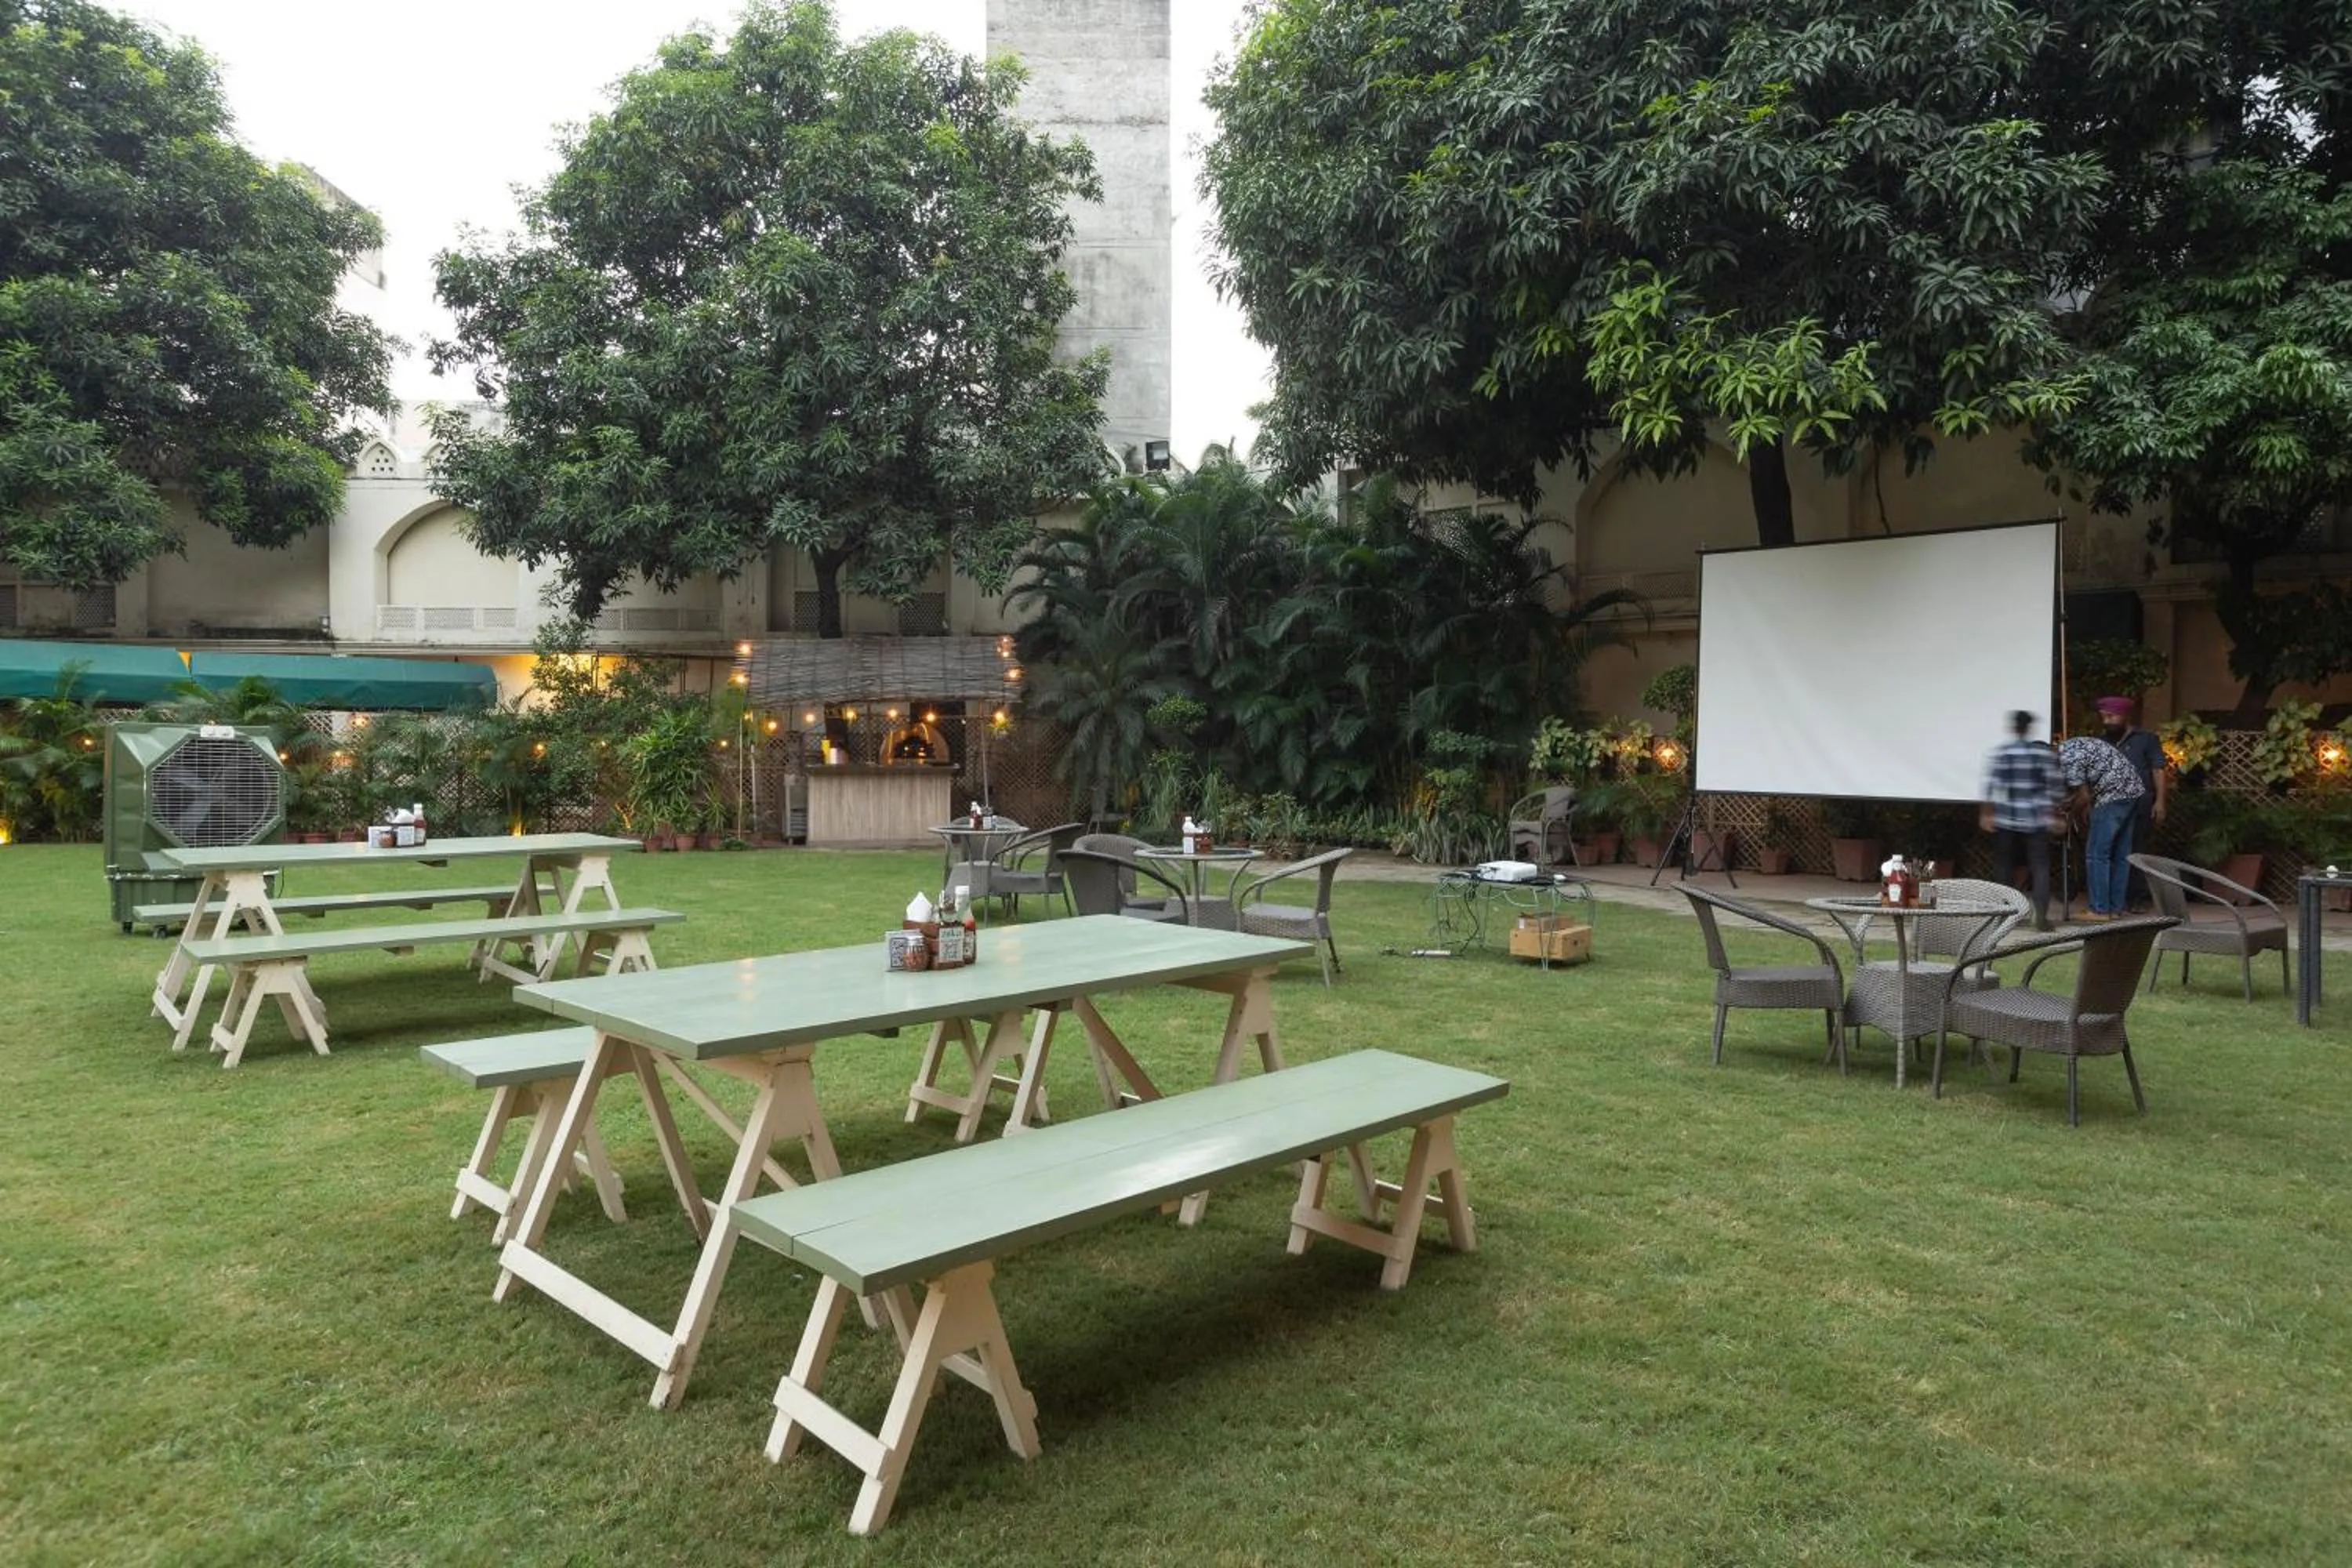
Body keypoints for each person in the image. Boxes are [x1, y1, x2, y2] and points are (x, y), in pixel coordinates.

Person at [1980, 710, 2068, 930]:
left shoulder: (2002, 753)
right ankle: (2040, 916)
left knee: (2004, 867)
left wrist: (1986, 814)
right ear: (2029, 728)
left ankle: (2005, 914)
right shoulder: (2042, 754)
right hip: (2036, 820)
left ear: (2013, 727)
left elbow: (1990, 787)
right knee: (2040, 867)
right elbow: (2055, 787)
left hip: (2007, 818)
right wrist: (2055, 815)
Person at [2056, 725, 2147, 920]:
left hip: (2112, 797)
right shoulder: (2071, 746)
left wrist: (2070, 816)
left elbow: (2084, 797)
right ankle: (2115, 908)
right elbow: (2089, 780)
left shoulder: (2067, 761)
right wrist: (2073, 800)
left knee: (2097, 855)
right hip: (2134, 791)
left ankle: (2099, 910)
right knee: (2121, 855)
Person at [2097, 695, 2169, 909]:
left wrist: (2161, 802)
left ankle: (2136, 898)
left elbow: (2158, 769)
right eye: (2104, 717)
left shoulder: (2147, 739)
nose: (2106, 721)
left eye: (2111, 716)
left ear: (2125, 715)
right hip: (2108, 803)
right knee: (2108, 851)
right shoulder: (2101, 741)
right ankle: (2111, 900)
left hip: (2140, 803)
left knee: (2136, 850)